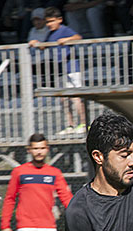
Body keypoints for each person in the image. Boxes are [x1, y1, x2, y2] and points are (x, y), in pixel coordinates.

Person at [30, 7, 86, 135]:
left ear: (59, 20)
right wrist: (36, 43)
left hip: (71, 69)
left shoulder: (64, 30)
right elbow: (45, 45)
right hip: (59, 70)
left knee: (76, 97)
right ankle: (70, 125)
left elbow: (78, 37)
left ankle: (84, 123)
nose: (50, 24)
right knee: (63, 99)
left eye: (52, 21)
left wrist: (67, 40)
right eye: (48, 22)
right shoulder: (50, 34)